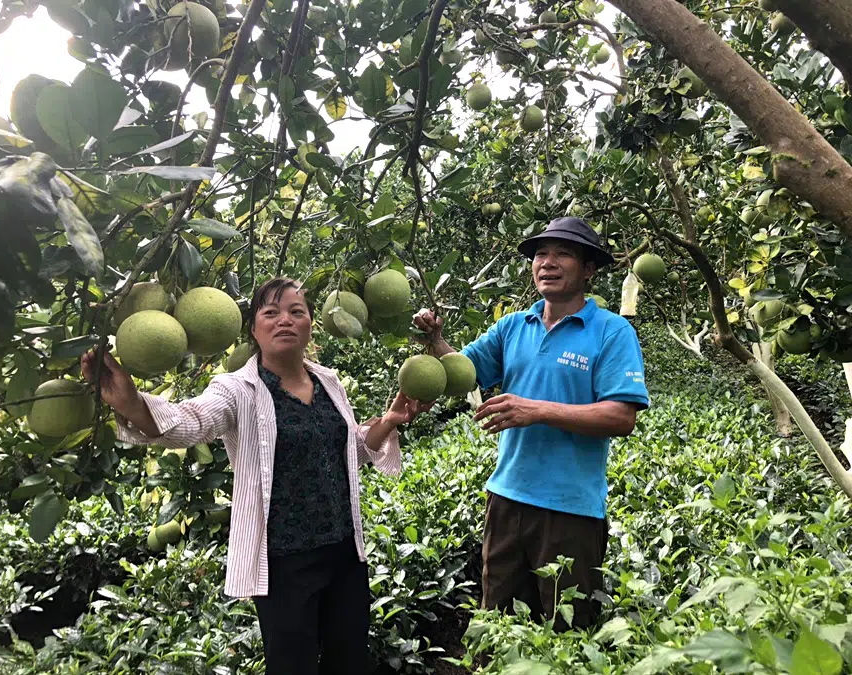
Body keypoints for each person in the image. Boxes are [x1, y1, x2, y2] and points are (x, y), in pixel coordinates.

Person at [81, 277, 434, 675]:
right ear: (253, 327)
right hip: (284, 565)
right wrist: (131, 402)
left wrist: (389, 420)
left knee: (349, 661)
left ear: (310, 324)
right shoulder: (237, 390)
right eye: (271, 312)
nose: (284, 320)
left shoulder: (329, 382)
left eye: (296, 312)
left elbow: (345, 451)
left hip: (344, 553)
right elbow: (192, 421)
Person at [413, 216, 650, 629]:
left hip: (570, 511)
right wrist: (435, 341)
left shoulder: (612, 333)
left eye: (562, 254)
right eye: (541, 253)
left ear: (589, 269)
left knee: (567, 632)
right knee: (498, 626)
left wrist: (537, 410)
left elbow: (621, 416)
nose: (547, 262)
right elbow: (462, 374)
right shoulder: (512, 326)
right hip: (505, 500)